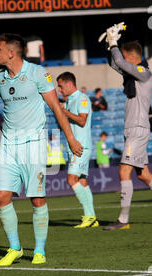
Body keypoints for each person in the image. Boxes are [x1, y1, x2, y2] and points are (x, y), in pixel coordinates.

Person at [0, 33, 82, 266]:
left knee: (36, 198)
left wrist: (70, 138)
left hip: (34, 144)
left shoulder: (38, 73)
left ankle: (39, 250)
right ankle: (15, 248)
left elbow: (55, 106)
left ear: (11, 53)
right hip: (8, 145)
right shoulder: (0, 79)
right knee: (1, 196)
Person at [102, 27, 152, 229]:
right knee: (143, 174)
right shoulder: (134, 74)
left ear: (132, 57)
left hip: (137, 128)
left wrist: (114, 44)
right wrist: (109, 45)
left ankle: (123, 220)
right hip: (133, 129)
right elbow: (115, 63)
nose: (122, 59)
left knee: (124, 172)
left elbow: (119, 62)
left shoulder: (143, 73)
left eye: (124, 55)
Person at [57, 72, 97, 228]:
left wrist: (64, 112)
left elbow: (82, 120)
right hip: (73, 146)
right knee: (81, 181)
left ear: (69, 84)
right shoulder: (69, 101)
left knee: (71, 179)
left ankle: (89, 215)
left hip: (81, 146)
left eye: (60, 86)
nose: (59, 90)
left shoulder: (82, 98)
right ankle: (92, 217)